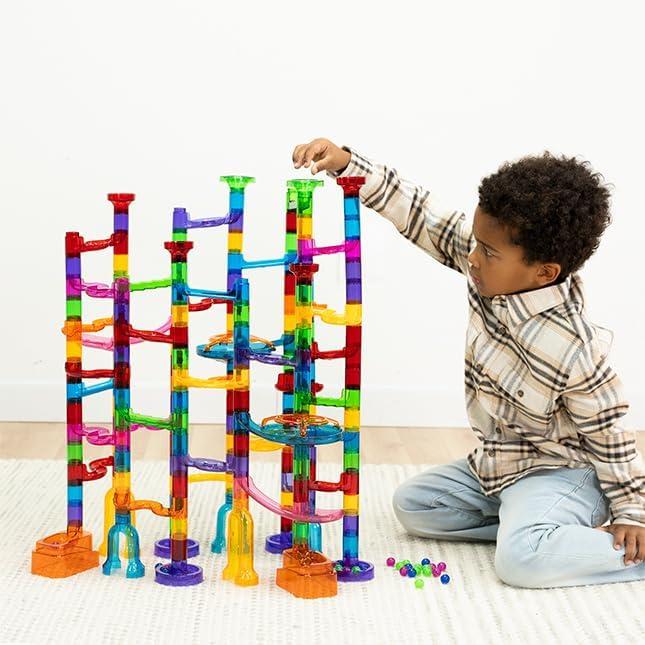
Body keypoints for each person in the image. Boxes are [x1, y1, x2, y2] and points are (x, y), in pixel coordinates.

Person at [291, 137, 645, 588]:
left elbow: (609, 432)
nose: (473, 258)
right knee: (415, 506)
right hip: (502, 465)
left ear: (544, 272)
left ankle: (551, 539)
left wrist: (633, 512)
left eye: (489, 252)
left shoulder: (572, 345)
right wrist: (348, 165)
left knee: (521, 563)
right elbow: (420, 212)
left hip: (561, 472)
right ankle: (539, 529)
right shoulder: (494, 271)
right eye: (477, 243)